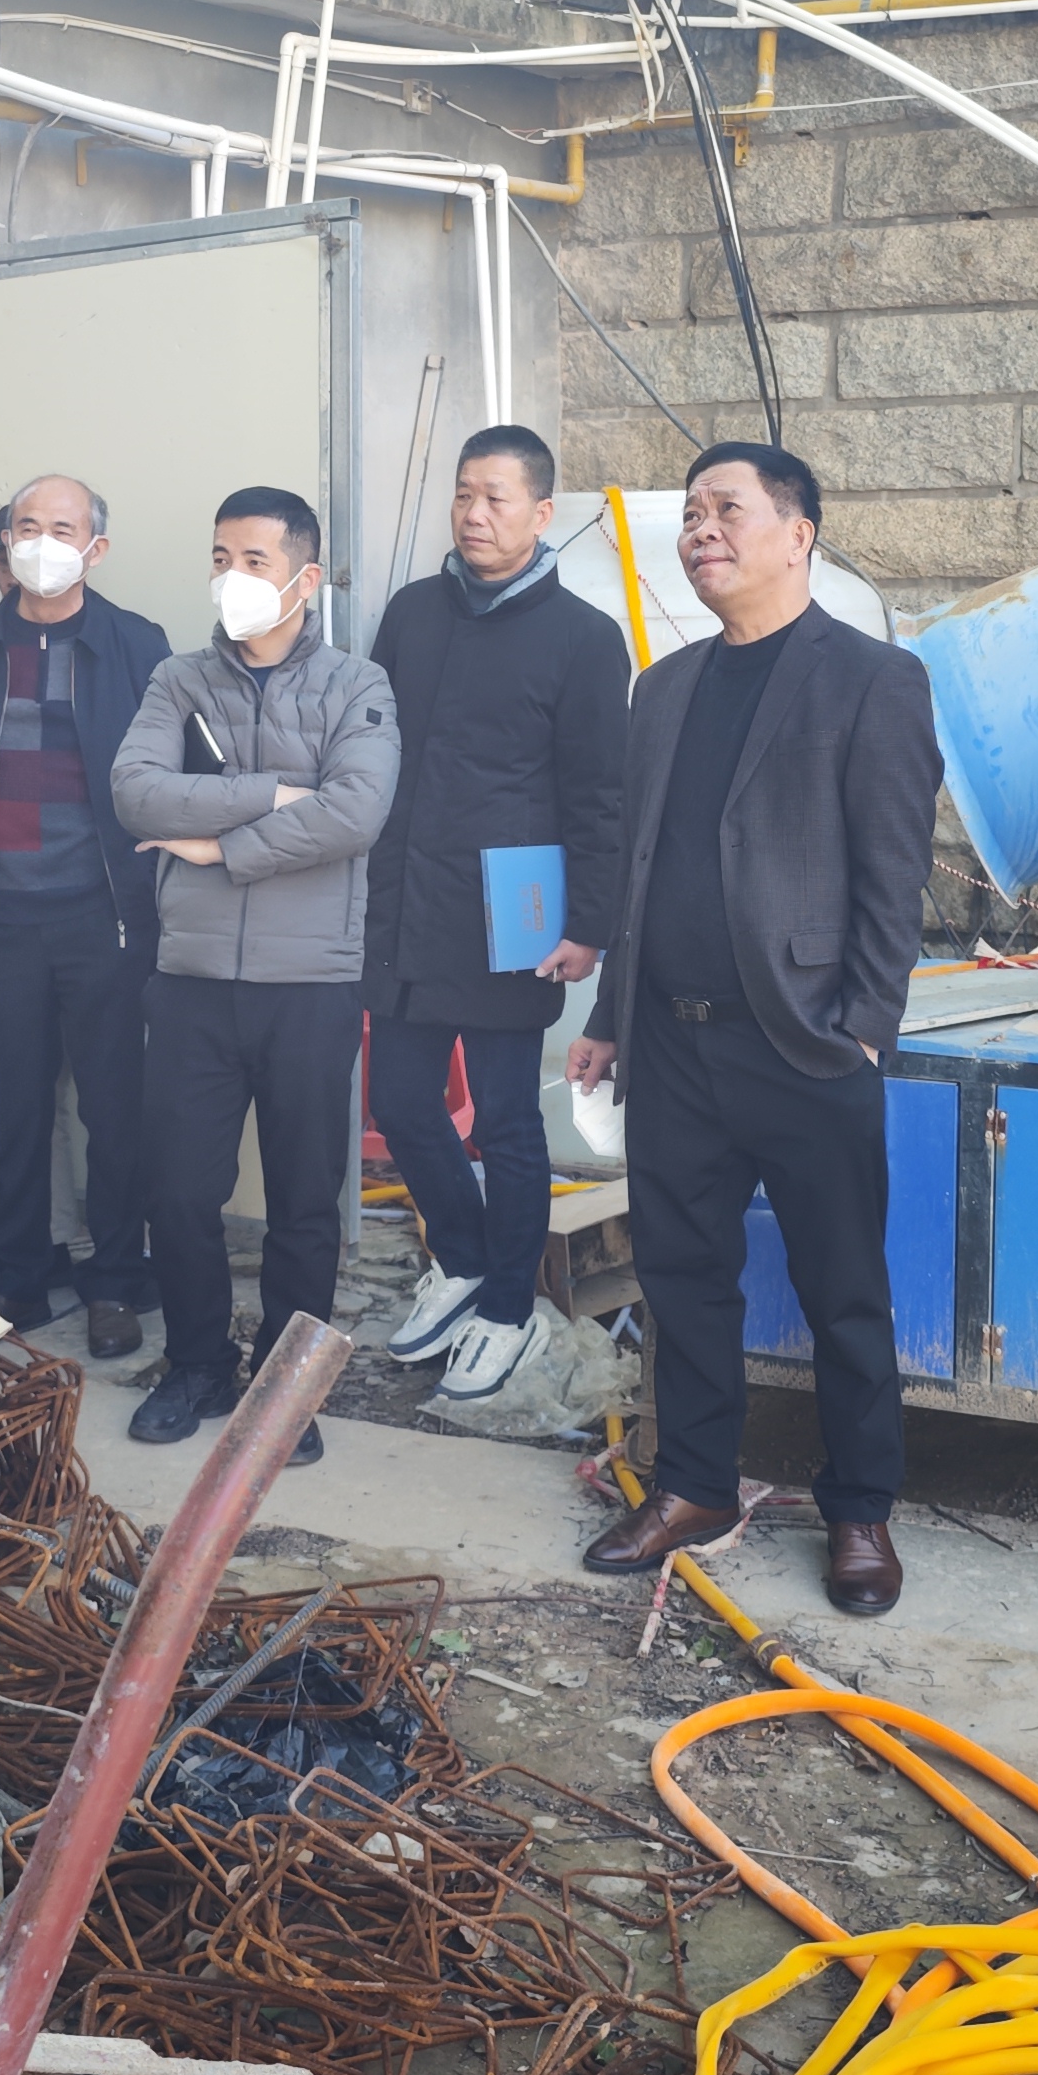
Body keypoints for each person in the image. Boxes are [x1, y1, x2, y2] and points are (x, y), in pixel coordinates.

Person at [565, 442, 941, 1617]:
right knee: (683, 1278)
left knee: (843, 1288)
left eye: (726, 510)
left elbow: (894, 875)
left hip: (803, 1042)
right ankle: (693, 1486)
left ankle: (861, 1509)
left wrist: (863, 1028)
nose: (699, 531)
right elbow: (640, 868)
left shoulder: (872, 680)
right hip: (672, 1043)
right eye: (690, 515)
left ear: (798, 534)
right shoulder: (664, 687)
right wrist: (609, 1013)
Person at [111, 487, 398, 1464]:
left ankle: (285, 1390)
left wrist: (219, 848)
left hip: (310, 984)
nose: (231, 577)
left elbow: (356, 813)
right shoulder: (178, 679)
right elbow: (135, 792)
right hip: (190, 978)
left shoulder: (358, 685)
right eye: (220, 557)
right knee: (179, 1193)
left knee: (305, 1203)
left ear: (304, 579)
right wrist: (273, 794)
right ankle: (196, 1364)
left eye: (254, 561)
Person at [360, 425, 630, 1397]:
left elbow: (601, 795)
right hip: (405, 903)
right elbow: (371, 747)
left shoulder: (583, 638)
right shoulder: (412, 613)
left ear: (541, 513)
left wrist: (589, 925)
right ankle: (466, 1261)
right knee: (399, 1099)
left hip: (511, 916)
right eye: (463, 495)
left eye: (496, 498)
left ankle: (509, 1308)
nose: (474, 514)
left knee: (508, 1122)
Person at [0, 473, 171, 1357]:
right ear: (5, 540)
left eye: (62, 528)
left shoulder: (138, 644)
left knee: (115, 1106)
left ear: (95, 548)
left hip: (105, 916)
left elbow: (168, 775)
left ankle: (117, 1278)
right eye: (27, 525)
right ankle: (16, 1273)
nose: (41, 541)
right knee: (17, 1104)